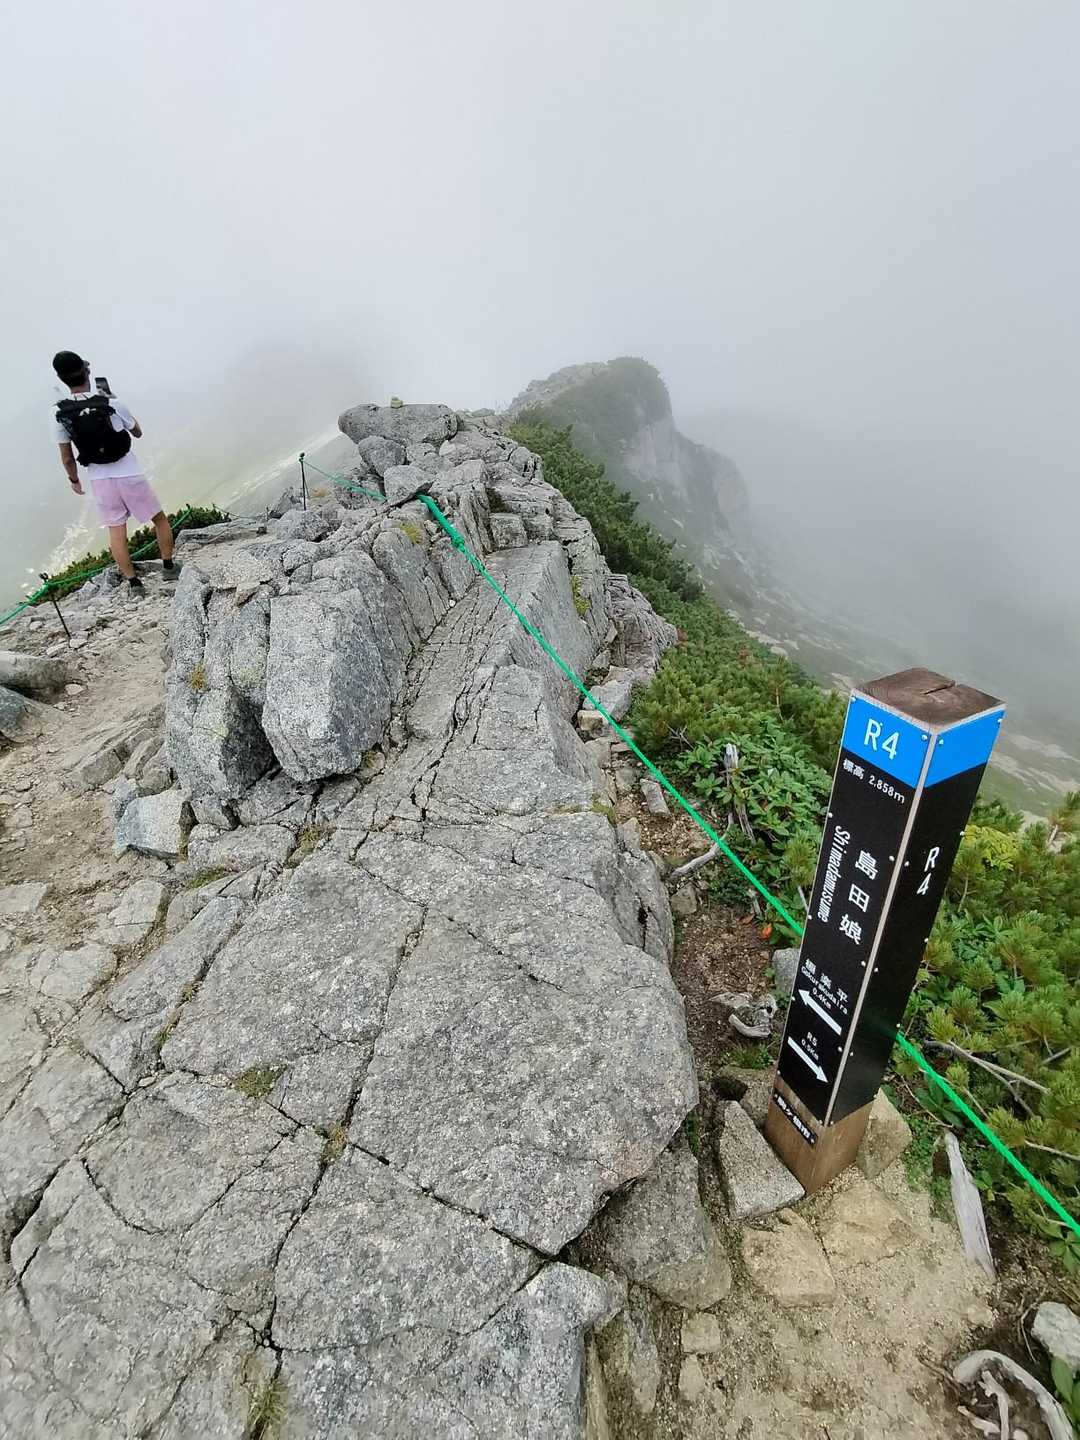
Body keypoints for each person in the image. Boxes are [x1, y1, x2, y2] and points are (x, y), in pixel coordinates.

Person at [51, 350, 174, 590]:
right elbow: (137, 432)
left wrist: (74, 480)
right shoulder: (111, 403)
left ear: (61, 378)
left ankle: (134, 583)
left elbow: (67, 457)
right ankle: (169, 568)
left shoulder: (60, 413)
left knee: (116, 533)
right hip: (129, 473)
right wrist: (114, 402)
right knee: (159, 520)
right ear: (87, 371)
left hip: (100, 479)